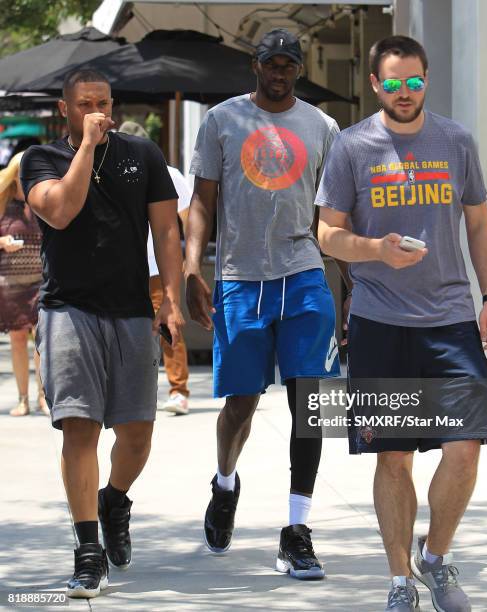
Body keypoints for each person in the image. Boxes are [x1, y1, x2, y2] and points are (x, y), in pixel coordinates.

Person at [316, 35, 487, 612]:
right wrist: (375, 250)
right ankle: (400, 580)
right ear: (376, 84)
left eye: (414, 81)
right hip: (379, 322)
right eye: (393, 82)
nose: (404, 91)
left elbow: (478, 221)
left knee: (465, 447)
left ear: (427, 79)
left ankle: (436, 557)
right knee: (393, 456)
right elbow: (326, 233)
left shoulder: (455, 140)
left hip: (450, 320)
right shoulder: (352, 147)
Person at [186, 28, 343, 580]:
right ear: (255, 65)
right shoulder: (222, 121)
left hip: (303, 275)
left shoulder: (323, 127)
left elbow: (336, 214)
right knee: (241, 406)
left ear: (297, 71)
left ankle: (297, 531)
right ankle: (225, 482)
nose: (280, 73)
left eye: (289, 66)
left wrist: (347, 283)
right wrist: (190, 266)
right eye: (271, 64)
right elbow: (202, 203)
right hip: (241, 279)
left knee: (312, 406)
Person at [20, 69, 184, 599]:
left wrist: (174, 300)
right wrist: (87, 148)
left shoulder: (144, 154)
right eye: (86, 103)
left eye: (105, 102)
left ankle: (114, 500)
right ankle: (88, 548)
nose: (98, 111)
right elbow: (62, 212)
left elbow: (165, 231)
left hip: (133, 309)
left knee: (137, 435)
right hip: (67, 308)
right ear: (65, 109)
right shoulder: (40, 161)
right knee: (80, 428)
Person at [118, 120, 192, 415]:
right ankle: (134, 391)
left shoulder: (170, 174)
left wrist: (188, 260)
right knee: (127, 331)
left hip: (159, 267)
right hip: (126, 267)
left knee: (169, 328)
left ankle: (179, 389)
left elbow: (187, 217)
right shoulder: (116, 172)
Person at [0, 152, 48, 416]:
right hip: (10, 285)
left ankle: (42, 396)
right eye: (20, 171)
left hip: (41, 282)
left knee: (41, 340)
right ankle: (22, 399)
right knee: (18, 340)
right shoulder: (2, 202)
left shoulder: (41, 200)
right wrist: (2, 243)